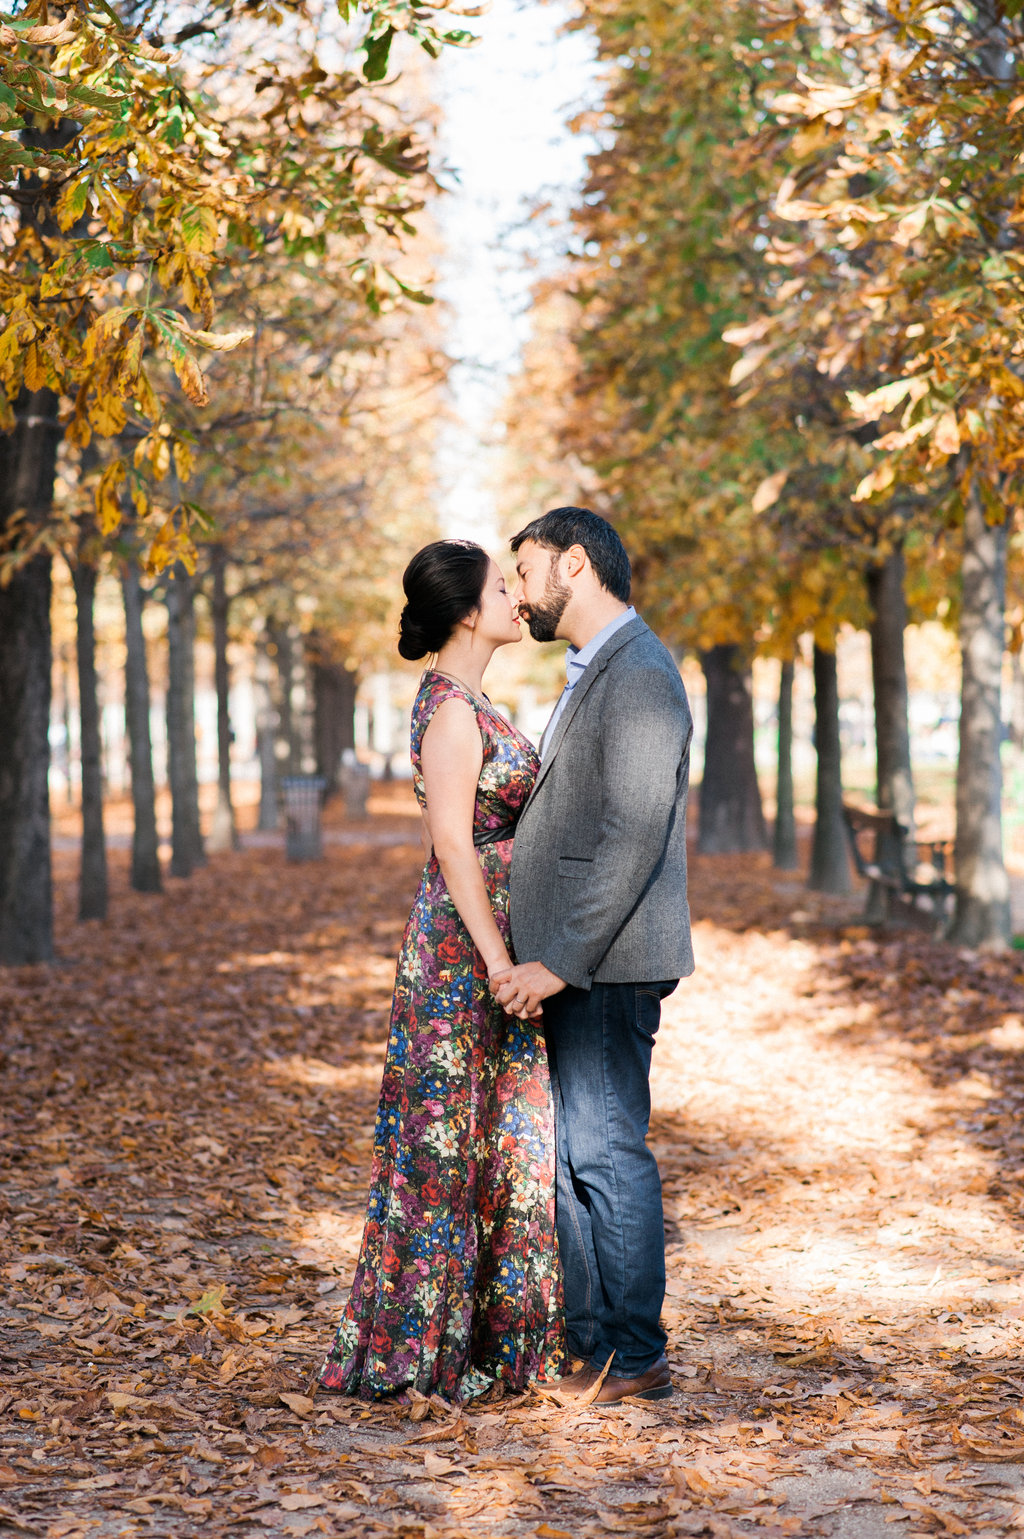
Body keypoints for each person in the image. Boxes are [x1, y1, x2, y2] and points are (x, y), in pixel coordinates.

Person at [318, 539, 565, 1402]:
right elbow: (452, 844)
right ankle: (418, 1350)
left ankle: (495, 1346)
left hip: (489, 948)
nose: (516, 598)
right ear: (466, 610)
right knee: (442, 1147)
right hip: (465, 957)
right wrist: (499, 960)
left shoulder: (472, 698)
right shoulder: (454, 712)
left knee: (499, 1140)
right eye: (503, 586)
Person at [493, 507, 693, 1406]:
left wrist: (559, 960)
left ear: (575, 564)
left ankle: (634, 1352)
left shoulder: (642, 672)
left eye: (528, 569)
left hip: (605, 961)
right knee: (576, 1153)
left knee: (607, 1151)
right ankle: (590, 1344)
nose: (521, 590)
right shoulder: (590, 669)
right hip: (575, 958)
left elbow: (630, 836)